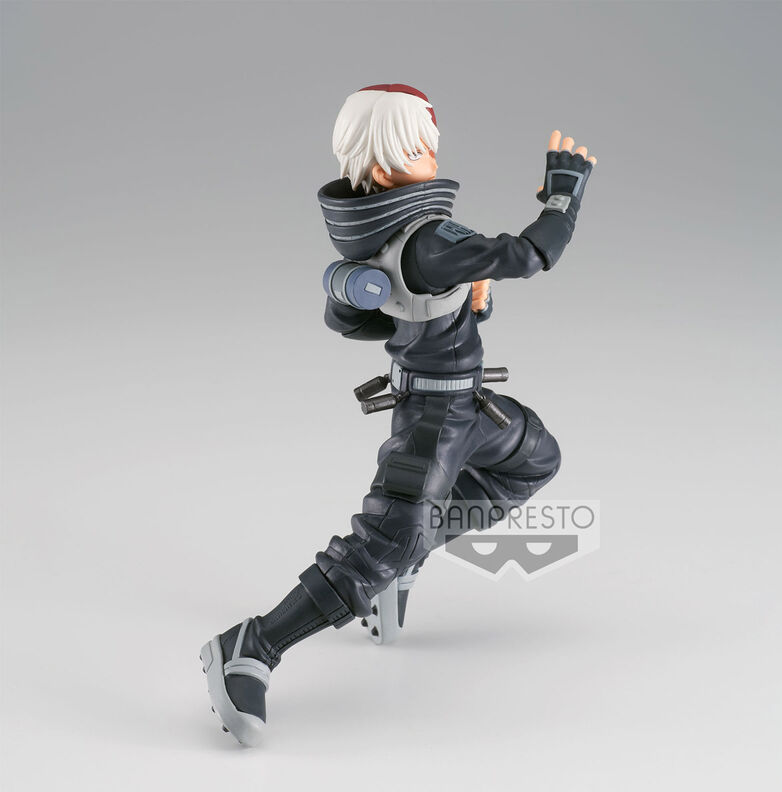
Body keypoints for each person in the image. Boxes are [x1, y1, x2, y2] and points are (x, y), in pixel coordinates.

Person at [200, 83, 597, 746]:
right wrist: (563, 195)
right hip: (434, 421)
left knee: (534, 460)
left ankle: (404, 559)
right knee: (384, 540)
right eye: (417, 149)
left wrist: (468, 304)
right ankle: (253, 645)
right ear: (382, 169)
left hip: (471, 408)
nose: (431, 158)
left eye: (429, 146)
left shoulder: (386, 236)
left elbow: (360, 319)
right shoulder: (431, 238)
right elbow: (532, 254)